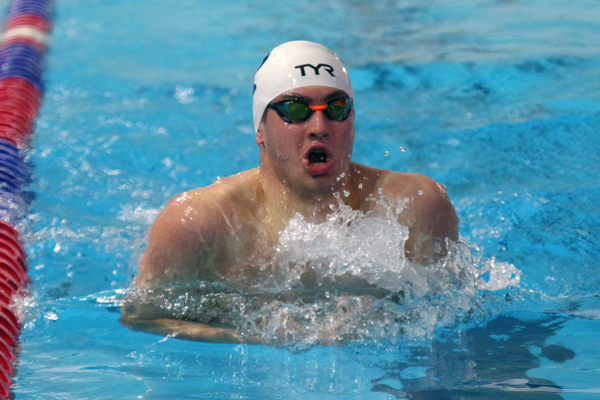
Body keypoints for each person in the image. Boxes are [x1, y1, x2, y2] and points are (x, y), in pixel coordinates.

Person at [120, 41, 459, 344]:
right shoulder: (199, 223)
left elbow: (452, 312)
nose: (319, 128)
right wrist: (262, 339)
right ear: (260, 129)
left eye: (337, 108)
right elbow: (143, 318)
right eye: (295, 110)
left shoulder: (413, 205)